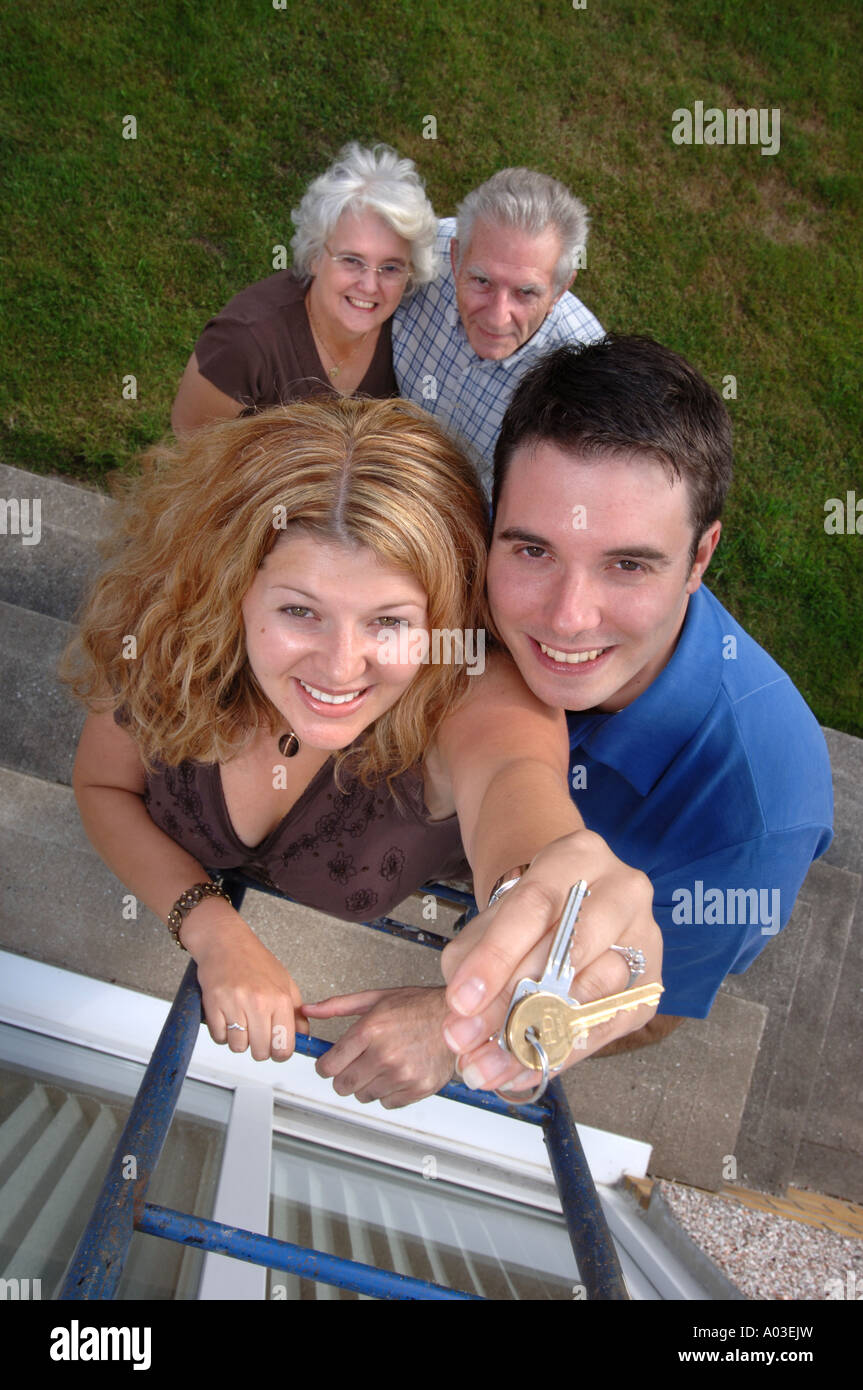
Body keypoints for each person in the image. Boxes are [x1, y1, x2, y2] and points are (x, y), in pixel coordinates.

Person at [62, 396, 662, 1108]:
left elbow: (517, 780)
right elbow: (102, 787)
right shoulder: (168, 627)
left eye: (389, 621)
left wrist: (560, 901)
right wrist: (212, 929)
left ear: (443, 618)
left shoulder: (470, 687)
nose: (340, 668)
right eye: (298, 611)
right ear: (230, 587)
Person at [442, 335, 833, 1091]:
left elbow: (654, 1006)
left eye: (627, 564)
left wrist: (449, 1022)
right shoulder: (454, 577)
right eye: (532, 551)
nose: (566, 618)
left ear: (699, 559)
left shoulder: (757, 813)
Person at [170, 144, 439, 434]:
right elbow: (191, 447)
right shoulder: (243, 342)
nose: (370, 285)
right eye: (351, 260)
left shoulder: (407, 332)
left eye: (390, 267)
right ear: (314, 256)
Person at [391, 167, 605, 492]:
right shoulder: (420, 255)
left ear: (560, 290)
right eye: (482, 281)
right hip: (388, 449)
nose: (497, 317)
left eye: (526, 293)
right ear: (455, 257)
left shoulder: (587, 372)